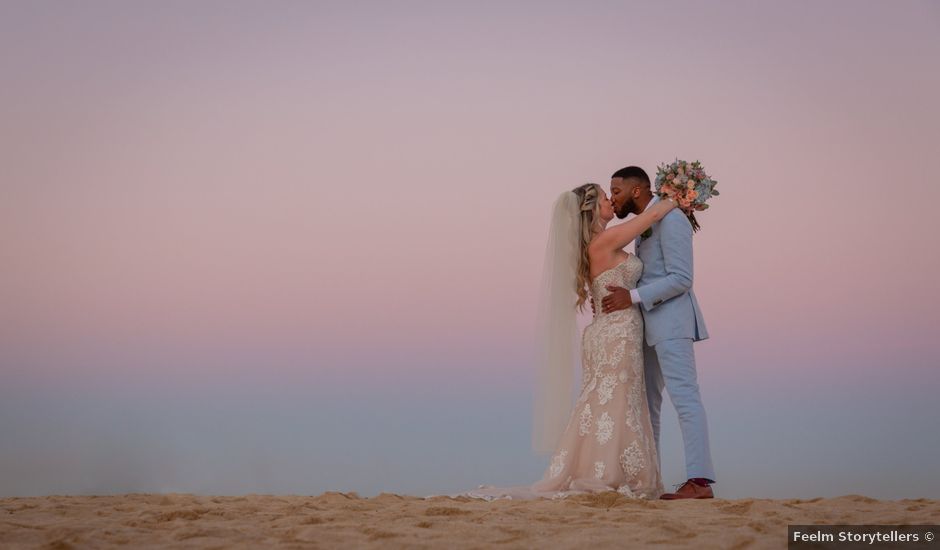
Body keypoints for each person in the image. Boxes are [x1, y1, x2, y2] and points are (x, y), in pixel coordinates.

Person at [447, 183, 675, 500]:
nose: (611, 200)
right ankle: (609, 473)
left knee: (609, 402)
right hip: (616, 333)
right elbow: (653, 214)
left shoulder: (595, 245)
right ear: (593, 208)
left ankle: (609, 469)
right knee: (615, 401)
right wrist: (678, 196)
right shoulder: (606, 240)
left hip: (610, 330)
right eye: (605, 197)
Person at [602, 166, 716, 499]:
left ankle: (700, 481)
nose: (613, 198)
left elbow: (682, 278)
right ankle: (651, 479)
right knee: (647, 404)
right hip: (646, 326)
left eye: (617, 190)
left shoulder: (673, 219)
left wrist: (632, 297)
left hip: (672, 323)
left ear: (637, 191)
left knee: (685, 399)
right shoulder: (647, 223)